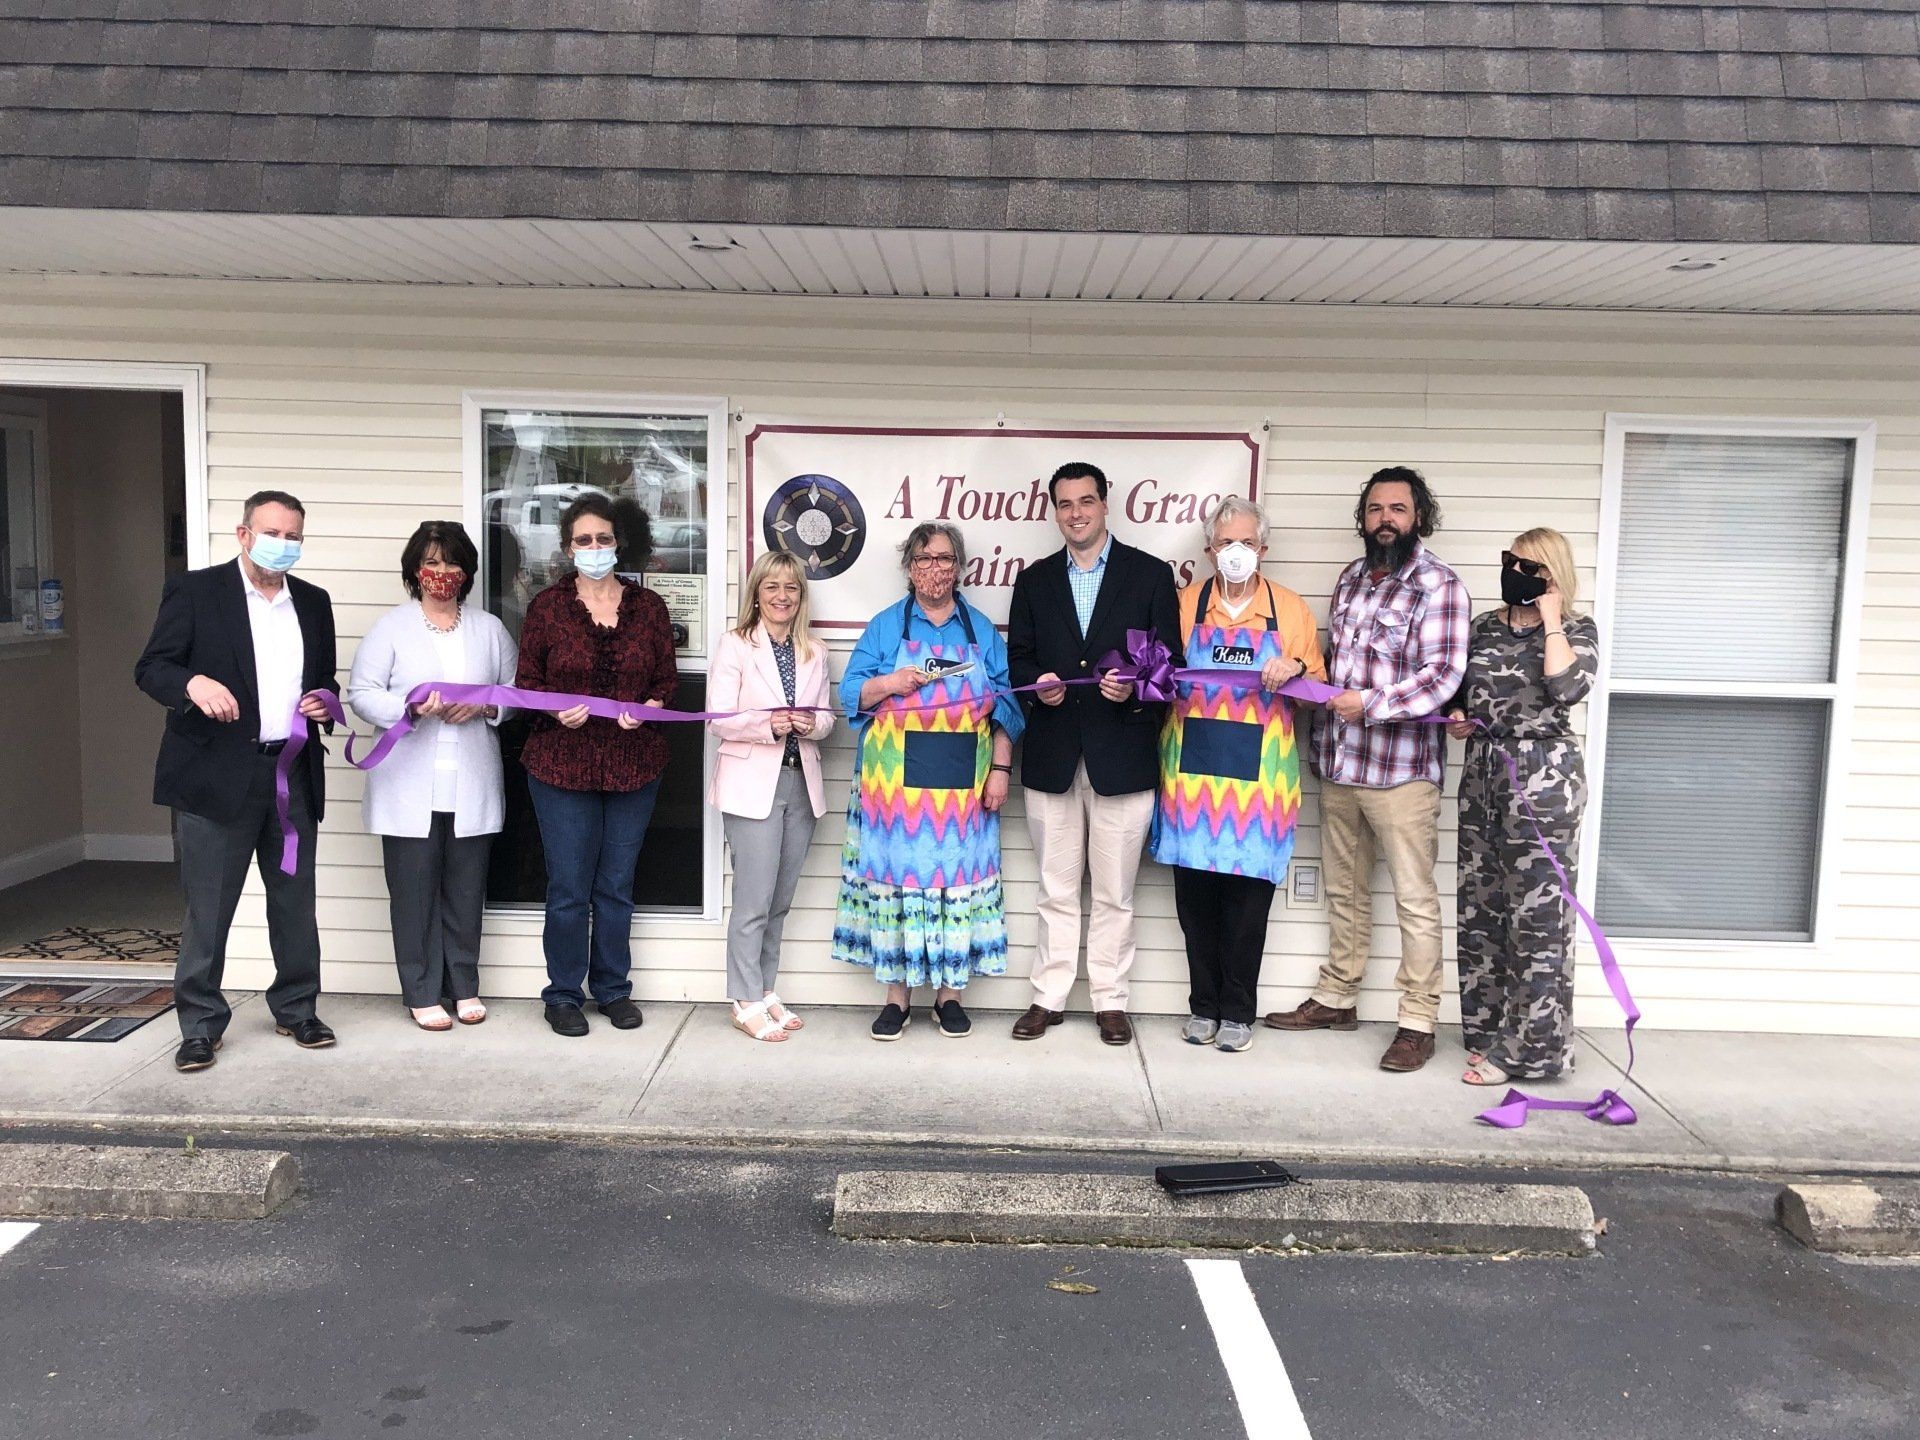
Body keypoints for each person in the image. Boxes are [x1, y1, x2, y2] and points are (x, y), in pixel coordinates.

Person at [1267, 466, 1468, 1073]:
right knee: (1345, 891)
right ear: (1363, 518)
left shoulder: (1439, 586)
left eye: (1398, 509)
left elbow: (1443, 677)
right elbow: (1333, 664)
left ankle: (1417, 1020)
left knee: (1413, 897)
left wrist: (1374, 704)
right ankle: (1337, 996)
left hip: (1402, 772)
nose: (1385, 519)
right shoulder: (1350, 579)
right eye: (1376, 509)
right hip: (1340, 762)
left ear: (1418, 518)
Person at [134, 489, 339, 1073]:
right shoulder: (197, 591)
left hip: (291, 773)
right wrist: (191, 686)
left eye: (294, 536)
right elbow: (152, 668)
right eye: (272, 532)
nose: (283, 544)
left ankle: (298, 1008)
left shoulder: (314, 602)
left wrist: (325, 700)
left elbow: (323, 679)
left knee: (295, 903)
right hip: (214, 776)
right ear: (244, 534)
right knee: (210, 905)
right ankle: (200, 1024)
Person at [1007, 461, 1180, 1046]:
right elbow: (1019, 663)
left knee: (1114, 892)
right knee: (1055, 888)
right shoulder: (1033, 582)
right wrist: (1041, 685)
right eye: (1064, 504)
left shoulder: (1150, 575)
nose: (1075, 513)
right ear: (1053, 510)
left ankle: (1110, 999)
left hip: (1122, 754)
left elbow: (1170, 665)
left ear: (1106, 504)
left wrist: (1135, 689)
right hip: (1054, 755)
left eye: (1085, 501)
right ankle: (1048, 997)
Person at [833, 522, 1023, 1041]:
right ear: (908, 567)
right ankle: (897, 998)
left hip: (965, 789)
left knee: (954, 884)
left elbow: (1007, 705)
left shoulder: (980, 630)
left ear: (958, 567)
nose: (933, 569)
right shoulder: (885, 628)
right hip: (894, 793)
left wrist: (1001, 769)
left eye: (943, 559)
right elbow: (849, 694)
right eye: (922, 559)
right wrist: (890, 683)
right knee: (899, 885)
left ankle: (949, 997)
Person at [1151, 496, 1327, 1053]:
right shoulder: (1184, 605)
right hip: (1192, 779)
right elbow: (1153, 673)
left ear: (1263, 549)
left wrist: (1295, 667)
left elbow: (1319, 684)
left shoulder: (1291, 610)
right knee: (1194, 903)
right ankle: (1202, 1007)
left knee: (1247, 907)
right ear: (1209, 550)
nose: (1236, 553)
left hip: (1259, 786)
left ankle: (1239, 1013)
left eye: (1246, 543)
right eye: (1226, 543)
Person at [515, 494, 677, 1038]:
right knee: (568, 887)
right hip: (561, 765)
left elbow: (665, 683)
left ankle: (611, 989)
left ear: (618, 542)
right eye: (582, 540)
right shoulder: (546, 608)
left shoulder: (649, 608)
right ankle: (562, 994)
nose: (593, 548)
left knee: (616, 885)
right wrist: (555, 710)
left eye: (602, 539)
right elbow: (527, 685)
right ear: (567, 548)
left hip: (634, 763)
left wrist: (651, 709)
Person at [347, 521, 518, 1031]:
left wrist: (486, 707)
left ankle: (463, 985)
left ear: (467, 571)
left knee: (466, 890)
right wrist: (410, 706)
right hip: (407, 783)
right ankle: (421, 990)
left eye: (450, 562)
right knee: (414, 891)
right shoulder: (391, 629)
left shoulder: (489, 628)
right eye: (431, 562)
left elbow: (513, 691)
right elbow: (361, 692)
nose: (441, 572)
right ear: (415, 570)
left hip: (471, 779)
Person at [1445, 529, 1599, 1086]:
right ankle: (1492, 1033)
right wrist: (1463, 718)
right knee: (1482, 908)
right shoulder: (1484, 626)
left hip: (1544, 777)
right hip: (1484, 770)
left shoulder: (1578, 629)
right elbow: (1466, 692)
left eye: (1529, 566)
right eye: (1511, 561)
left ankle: (1535, 1051)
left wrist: (1552, 617)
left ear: (1553, 574)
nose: (1514, 571)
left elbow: (1566, 688)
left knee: (1539, 919)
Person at [708, 551, 835, 1042]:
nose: (782, 597)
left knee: (779, 900)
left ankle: (764, 988)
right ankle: (743, 998)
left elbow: (826, 718)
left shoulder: (814, 650)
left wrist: (809, 723)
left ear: (801, 597)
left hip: (800, 784)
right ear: (757, 594)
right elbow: (717, 719)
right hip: (750, 786)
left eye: (792, 589)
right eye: (772, 588)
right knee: (753, 901)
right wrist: (769, 724)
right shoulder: (735, 645)